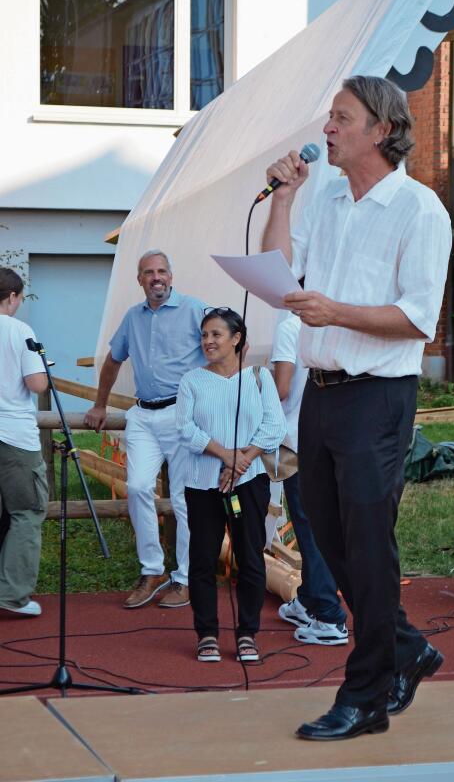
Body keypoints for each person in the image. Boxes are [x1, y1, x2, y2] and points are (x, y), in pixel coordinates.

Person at [261, 75, 450, 741]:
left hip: (377, 397)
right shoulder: (330, 202)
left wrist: (335, 310)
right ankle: (406, 647)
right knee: (331, 542)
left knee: (368, 546)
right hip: (321, 394)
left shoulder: (421, 210)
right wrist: (285, 198)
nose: (327, 130)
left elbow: (418, 319)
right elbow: (281, 273)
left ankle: (365, 695)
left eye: (341, 118)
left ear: (381, 129)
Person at [84, 250, 206, 609]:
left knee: (185, 500)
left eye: (162, 271)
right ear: (139, 279)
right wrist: (100, 403)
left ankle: (184, 579)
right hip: (143, 415)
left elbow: (224, 347)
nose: (157, 277)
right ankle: (152, 570)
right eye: (149, 272)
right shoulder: (132, 317)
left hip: (184, 414)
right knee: (136, 487)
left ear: (171, 276)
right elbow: (113, 360)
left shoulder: (195, 308)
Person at [176, 308, 286, 662]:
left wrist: (242, 461)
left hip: (249, 482)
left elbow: (274, 427)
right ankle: (206, 633)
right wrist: (226, 455)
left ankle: (247, 634)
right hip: (202, 484)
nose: (208, 341)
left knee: (250, 557)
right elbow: (185, 428)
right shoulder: (191, 380)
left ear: (236, 339)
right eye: (204, 335)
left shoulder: (258, 377)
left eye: (216, 335)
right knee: (203, 558)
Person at [272, 311, 347, 644]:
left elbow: (282, 389)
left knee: (308, 526)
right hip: (334, 437)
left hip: (298, 440)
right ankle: (309, 598)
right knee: (321, 526)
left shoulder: (290, 326)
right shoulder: (339, 324)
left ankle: (329, 616)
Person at [0, 268, 48, 617]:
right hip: (13, 435)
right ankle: (13, 595)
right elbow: (36, 384)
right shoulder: (19, 331)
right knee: (27, 511)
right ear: (13, 296)